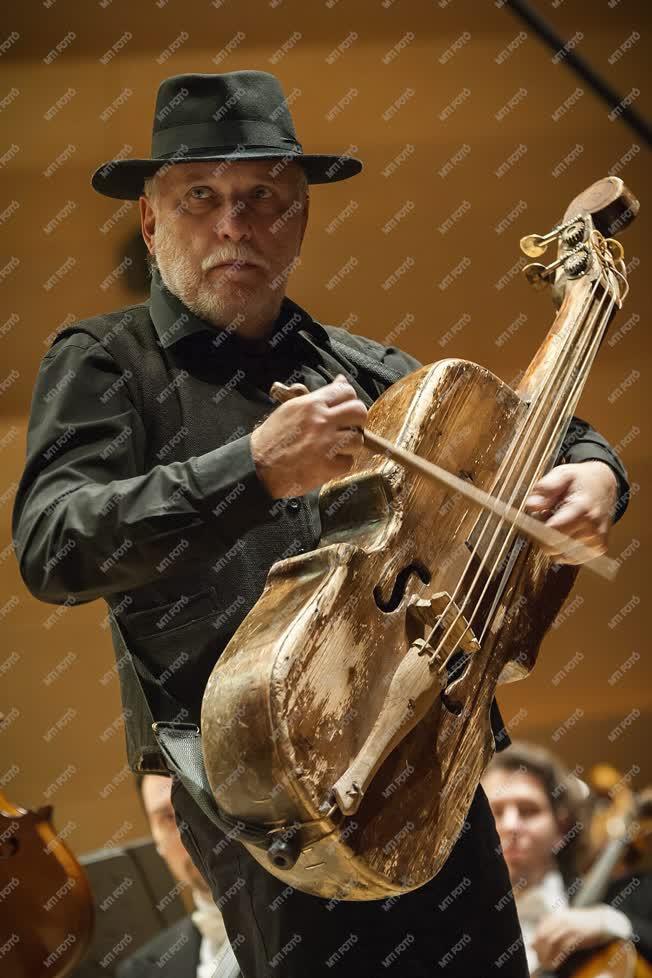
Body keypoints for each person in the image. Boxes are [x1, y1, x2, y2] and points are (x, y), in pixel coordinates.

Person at [13, 70, 630, 977]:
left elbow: (539, 433)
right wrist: (251, 469)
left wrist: (598, 472)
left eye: (265, 197)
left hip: (434, 752)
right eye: (202, 198)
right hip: (262, 787)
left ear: (298, 221)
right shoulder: (107, 363)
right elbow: (55, 544)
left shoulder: (358, 366)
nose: (236, 224)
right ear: (151, 223)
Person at [483, 741, 652, 973]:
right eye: (496, 812)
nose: (511, 825)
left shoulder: (628, 895)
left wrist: (612, 923)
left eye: (529, 810)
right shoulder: (453, 927)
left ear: (561, 828)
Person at [117, 774, 240, 978]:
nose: (189, 833)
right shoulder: (139, 971)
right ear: (157, 843)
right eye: (168, 817)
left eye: (199, 806)